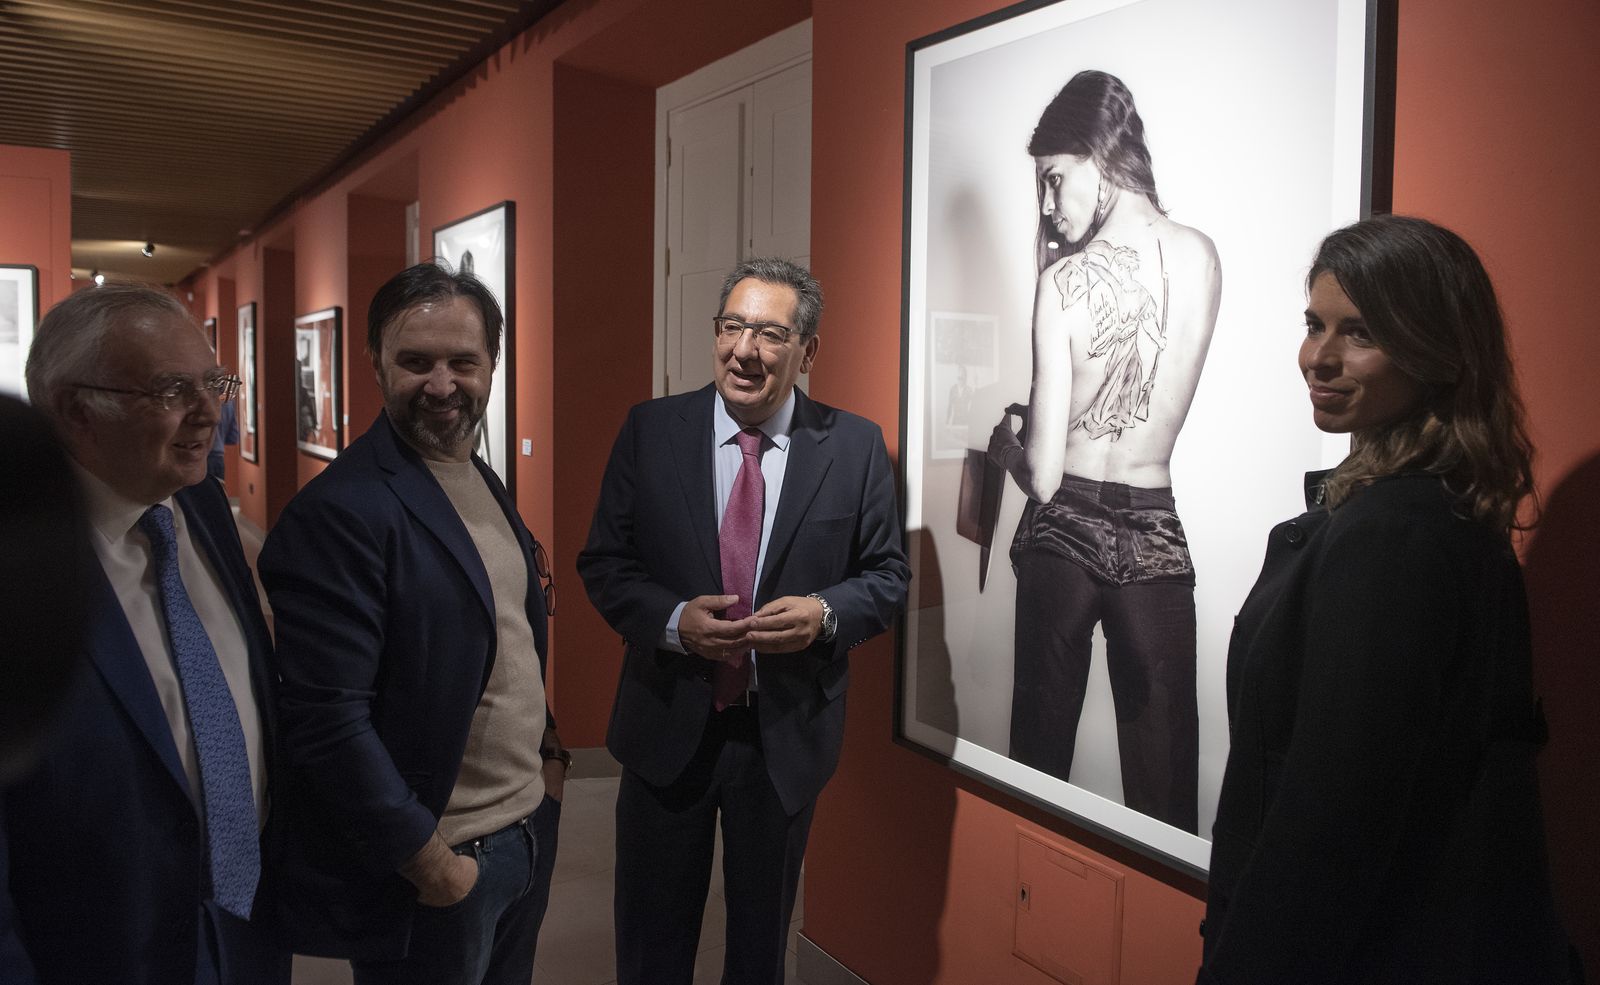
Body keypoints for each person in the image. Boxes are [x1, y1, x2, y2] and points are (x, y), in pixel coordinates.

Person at [1198, 215, 1576, 983]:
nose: (1320, 358)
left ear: (1433, 350)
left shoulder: (1393, 539)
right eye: (1314, 325)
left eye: (1359, 331)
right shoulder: (1444, 511)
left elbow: (1330, 827)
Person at [579, 256, 910, 983]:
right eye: (733, 326)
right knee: (650, 943)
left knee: (760, 949)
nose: (745, 351)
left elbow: (888, 578)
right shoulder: (652, 429)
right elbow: (604, 563)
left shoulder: (854, 447)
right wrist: (672, 620)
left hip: (783, 736)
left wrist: (826, 614)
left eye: (769, 332)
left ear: (807, 351)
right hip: (666, 723)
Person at [258, 262, 567, 984]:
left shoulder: (476, 473)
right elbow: (327, 718)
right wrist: (429, 862)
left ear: (493, 363)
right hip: (443, 865)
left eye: (464, 361)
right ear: (374, 364)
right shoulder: (342, 510)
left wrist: (550, 764)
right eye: (415, 361)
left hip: (524, 828)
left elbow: (508, 634)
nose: (441, 384)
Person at [2, 285, 286, 984]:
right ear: (76, 411)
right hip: (99, 950)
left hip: (246, 929)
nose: (208, 411)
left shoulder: (201, 505)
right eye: (170, 390)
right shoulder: (23, 561)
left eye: (213, 382)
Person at [987, 69, 1220, 832]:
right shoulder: (1202, 256)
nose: (1050, 206)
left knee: (1037, 769)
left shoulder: (1063, 281)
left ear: (1097, 153)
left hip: (1065, 525)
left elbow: (1046, 477)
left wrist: (1008, 448)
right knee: (1165, 800)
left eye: (1054, 179)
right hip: (1156, 524)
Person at [209, 397, 239, 481]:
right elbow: (233, 438)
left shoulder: (199, 397)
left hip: (200, 457)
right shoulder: (228, 402)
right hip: (218, 459)